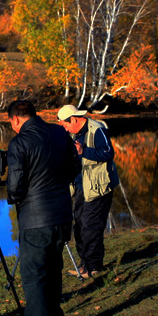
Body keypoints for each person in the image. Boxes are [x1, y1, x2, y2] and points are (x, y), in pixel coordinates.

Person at [5, 100, 81, 316]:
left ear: (15, 119)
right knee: (53, 269)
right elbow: (73, 167)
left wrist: (13, 197)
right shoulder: (59, 132)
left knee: (34, 274)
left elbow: (15, 186)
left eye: (11, 123)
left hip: (35, 218)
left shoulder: (20, 142)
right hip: (61, 214)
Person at [57, 104, 119, 279]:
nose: (65, 128)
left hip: (99, 188)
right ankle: (85, 265)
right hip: (81, 187)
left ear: (74, 119)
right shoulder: (73, 133)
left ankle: (94, 266)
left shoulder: (97, 129)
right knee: (80, 227)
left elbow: (108, 153)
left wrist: (84, 151)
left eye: (65, 124)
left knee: (91, 228)